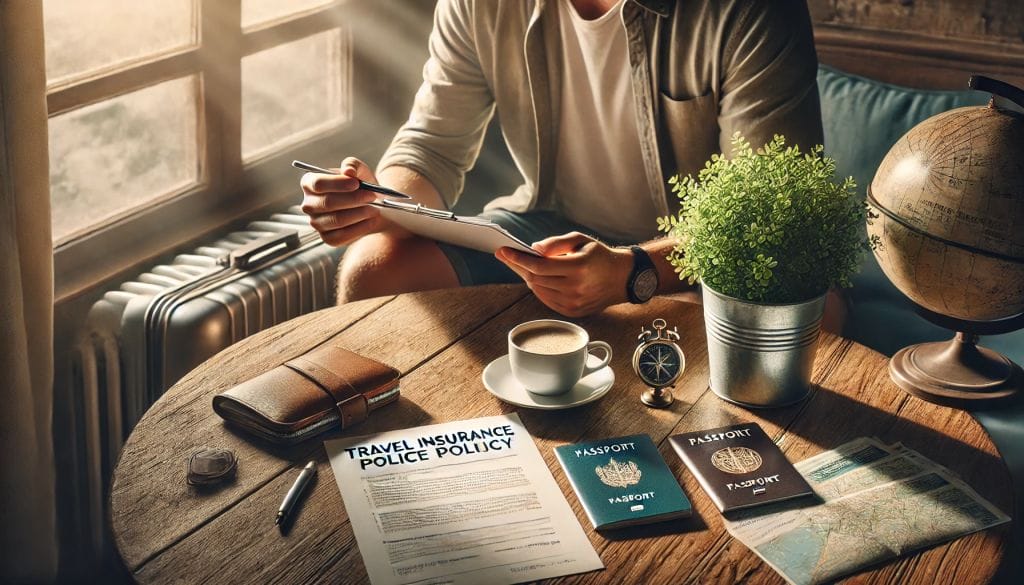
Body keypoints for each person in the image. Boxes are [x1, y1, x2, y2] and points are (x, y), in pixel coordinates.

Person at [300, 0, 824, 317]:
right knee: (374, 267)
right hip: (550, 230)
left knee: (792, 315)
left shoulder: (750, 11)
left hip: (692, 255)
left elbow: (769, 223)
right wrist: (379, 202)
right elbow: (432, 148)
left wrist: (631, 271)